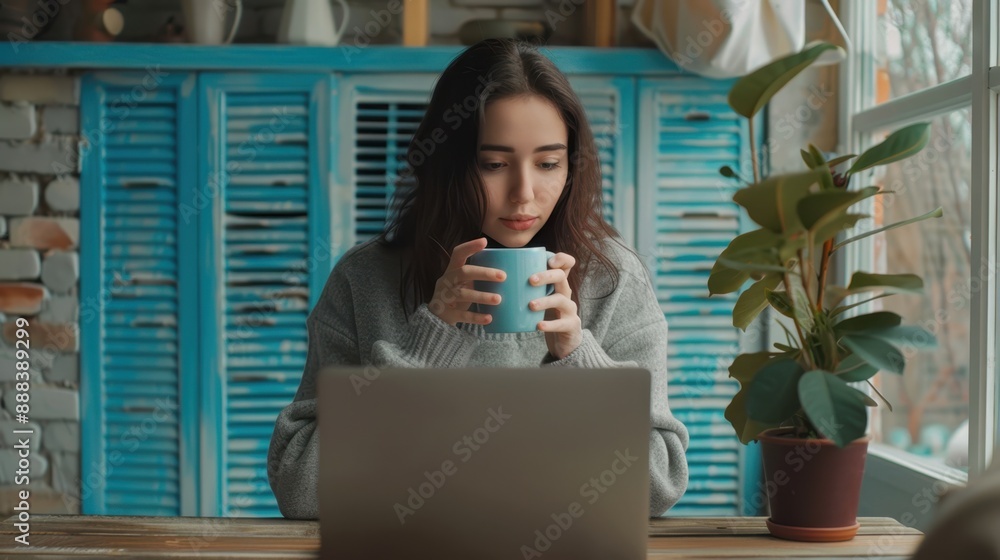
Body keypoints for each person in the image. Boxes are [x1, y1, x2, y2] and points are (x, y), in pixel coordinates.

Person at [267, 37, 690, 520]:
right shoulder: (366, 280)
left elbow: (657, 486)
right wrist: (428, 346)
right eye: (494, 165)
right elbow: (301, 491)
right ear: (447, 164)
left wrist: (578, 357)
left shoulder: (613, 280)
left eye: (549, 163)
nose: (524, 194)